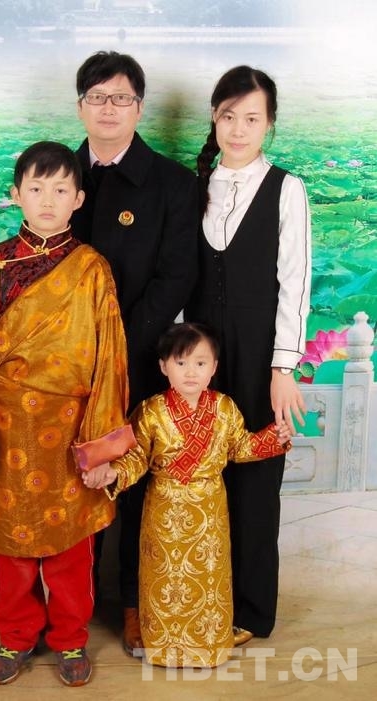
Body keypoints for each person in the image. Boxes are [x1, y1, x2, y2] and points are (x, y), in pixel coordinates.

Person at [0, 141, 135, 687]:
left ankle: (70, 638)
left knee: (70, 547)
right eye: (36, 188)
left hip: (70, 426)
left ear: (79, 198)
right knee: (12, 545)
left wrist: (101, 447)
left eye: (60, 189)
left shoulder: (92, 269)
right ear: (16, 195)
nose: (48, 200)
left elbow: (109, 360)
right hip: (8, 423)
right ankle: (15, 637)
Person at [72, 50, 199, 655]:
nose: (109, 108)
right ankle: (69, 609)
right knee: (72, 479)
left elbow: (176, 277)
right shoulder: (62, 176)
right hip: (68, 364)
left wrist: (119, 343)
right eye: (97, 97)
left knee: (136, 481)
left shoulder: (173, 183)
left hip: (138, 355)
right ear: (80, 107)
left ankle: (133, 604)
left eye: (120, 97)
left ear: (139, 108)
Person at [185, 65, 312, 645]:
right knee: (198, 476)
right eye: (229, 116)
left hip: (260, 353)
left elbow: (295, 282)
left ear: (270, 125)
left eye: (252, 119)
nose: (238, 130)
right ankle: (198, 601)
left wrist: (283, 367)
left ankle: (251, 612)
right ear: (214, 118)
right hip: (198, 360)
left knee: (257, 482)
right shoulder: (195, 185)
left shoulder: (287, 188)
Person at [81, 322, 292, 668]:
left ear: (214, 367)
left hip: (210, 513)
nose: (190, 372)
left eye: (200, 363)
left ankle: (209, 643)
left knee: (208, 578)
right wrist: (113, 472)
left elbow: (240, 447)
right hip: (163, 511)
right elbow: (136, 458)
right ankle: (162, 645)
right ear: (164, 366)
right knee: (164, 579)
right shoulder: (150, 411)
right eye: (180, 363)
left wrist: (274, 437)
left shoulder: (224, 408)